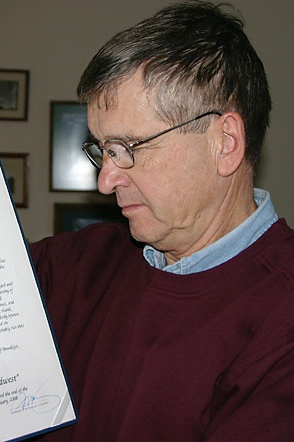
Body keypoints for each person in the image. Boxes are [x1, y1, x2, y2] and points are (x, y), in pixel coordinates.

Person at [30, 1, 294, 440]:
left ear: (224, 143)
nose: (105, 180)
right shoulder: (83, 263)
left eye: (128, 147)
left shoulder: (282, 319)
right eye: (103, 150)